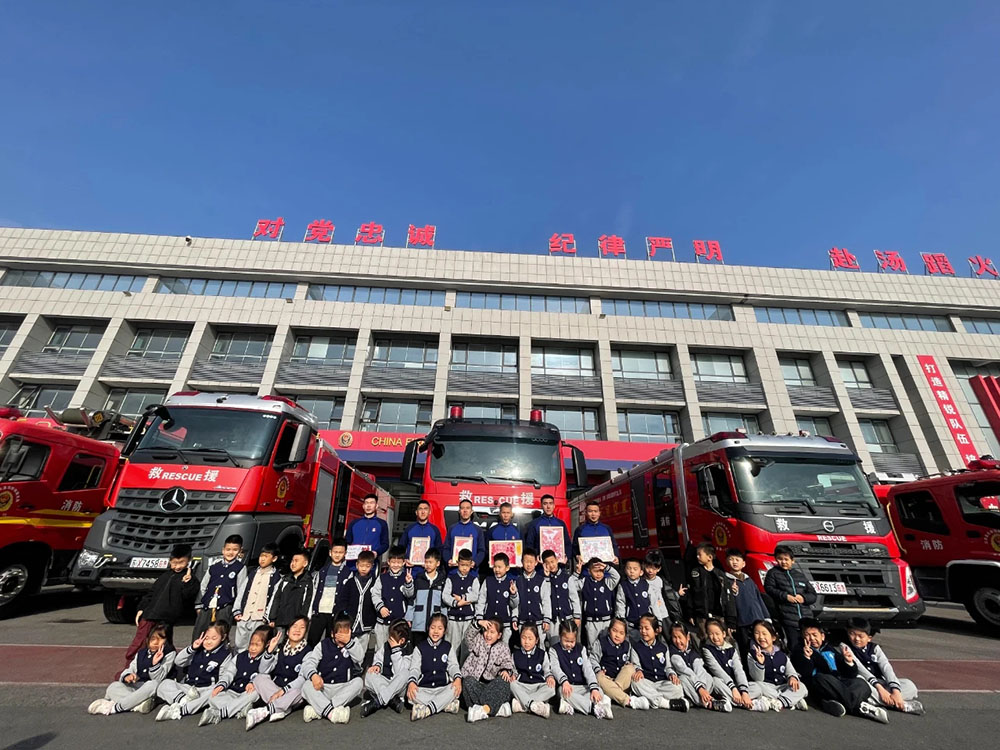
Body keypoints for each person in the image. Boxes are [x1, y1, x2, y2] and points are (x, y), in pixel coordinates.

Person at [791, 618, 889, 723]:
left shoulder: (830, 649)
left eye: (815, 635)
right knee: (822, 678)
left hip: (838, 683)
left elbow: (850, 674)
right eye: (807, 635)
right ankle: (860, 708)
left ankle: (838, 704)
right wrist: (807, 658)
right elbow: (805, 673)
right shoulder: (798, 651)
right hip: (818, 685)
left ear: (822, 636)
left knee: (860, 683)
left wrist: (848, 662)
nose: (812, 638)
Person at [122, 543, 198, 670]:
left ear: (189, 560)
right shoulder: (165, 576)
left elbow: (189, 596)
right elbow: (151, 593)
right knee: (140, 643)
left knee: (165, 644)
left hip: (167, 619)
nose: (177, 566)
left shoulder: (190, 579)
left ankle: (168, 669)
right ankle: (129, 669)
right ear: (169, 561)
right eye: (174, 563)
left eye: (181, 562)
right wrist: (141, 608)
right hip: (149, 616)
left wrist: (188, 582)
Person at [88, 623, 175, 716]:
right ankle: (137, 705)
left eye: (161, 639)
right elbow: (131, 668)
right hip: (138, 689)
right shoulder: (141, 653)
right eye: (153, 638)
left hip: (153, 690)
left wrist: (155, 664)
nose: (155, 643)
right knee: (113, 686)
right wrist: (127, 676)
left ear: (167, 641)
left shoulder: (169, 654)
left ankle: (115, 707)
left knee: (153, 684)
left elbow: (158, 678)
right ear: (147, 639)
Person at [201, 624, 277, 725]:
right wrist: (222, 684)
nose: (253, 648)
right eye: (251, 644)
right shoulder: (241, 656)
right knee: (212, 697)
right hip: (233, 691)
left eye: (257, 645)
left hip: (247, 693)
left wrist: (269, 652)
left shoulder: (270, 658)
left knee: (255, 694)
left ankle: (219, 713)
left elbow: (264, 671)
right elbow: (229, 673)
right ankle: (240, 709)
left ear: (267, 644)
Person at [846, 618, 924, 715]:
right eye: (852, 634)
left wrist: (896, 692)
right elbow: (861, 670)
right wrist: (881, 690)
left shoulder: (875, 648)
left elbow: (886, 667)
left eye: (860, 636)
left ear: (869, 638)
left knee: (910, 686)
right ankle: (901, 705)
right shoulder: (845, 647)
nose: (856, 639)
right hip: (868, 683)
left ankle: (885, 702)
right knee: (862, 685)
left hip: (882, 683)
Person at [155, 621, 231, 721]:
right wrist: (192, 648)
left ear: (223, 637)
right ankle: (183, 699)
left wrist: (218, 687)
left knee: (213, 692)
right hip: (188, 688)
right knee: (163, 684)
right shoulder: (197, 650)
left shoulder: (225, 654)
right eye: (206, 638)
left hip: (205, 689)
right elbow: (179, 662)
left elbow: (223, 676)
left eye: (214, 638)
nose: (208, 642)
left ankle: (181, 710)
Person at [245, 615, 311, 730]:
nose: (297, 630)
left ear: (305, 631)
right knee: (259, 678)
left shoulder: (308, 651)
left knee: (304, 688)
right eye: (294, 626)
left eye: (302, 627)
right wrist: (269, 651)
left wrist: (283, 691)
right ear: (288, 631)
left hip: (292, 691)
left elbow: (302, 678)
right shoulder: (280, 648)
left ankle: (264, 712)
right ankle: (282, 708)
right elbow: (264, 670)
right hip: (275, 688)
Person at [300, 614, 366, 724]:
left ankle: (320, 709)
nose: (342, 641)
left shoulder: (353, 643)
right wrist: (314, 676)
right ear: (332, 634)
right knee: (306, 685)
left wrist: (349, 643)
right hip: (323, 687)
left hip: (342, 687)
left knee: (358, 682)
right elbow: (309, 663)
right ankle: (332, 713)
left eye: (346, 636)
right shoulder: (323, 645)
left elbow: (360, 658)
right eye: (339, 637)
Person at [547, 619, 612, 719]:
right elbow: (555, 668)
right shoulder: (554, 650)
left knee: (599, 690)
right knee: (562, 693)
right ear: (560, 637)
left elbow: (588, 668)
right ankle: (593, 707)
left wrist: (593, 688)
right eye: (566, 641)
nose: (569, 644)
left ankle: (572, 705)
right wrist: (564, 681)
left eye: (572, 641)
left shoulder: (581, 649)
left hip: (582, 686)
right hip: (567, 686)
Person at [701, 618, 769, 712]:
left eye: (717, 634)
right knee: (715, 681)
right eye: (711, 634)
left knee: (756, 687)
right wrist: (732, 688)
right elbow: (717, 670)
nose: (715, 637)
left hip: (735, 685)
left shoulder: (731, 649)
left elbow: (738, 670)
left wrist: (744, 691)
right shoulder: (707, 649)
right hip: (724, 684)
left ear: (724, 634)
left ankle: (737, 701)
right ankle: (749, 704)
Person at [406, 612, 462, 721]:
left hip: (442, 688)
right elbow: (415, 668)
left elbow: (453, 666)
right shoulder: (420, 647)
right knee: (411, 695)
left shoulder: (448, 647)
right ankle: (445, 705)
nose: (436, 631)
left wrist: (458, 678)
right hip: (424, 689)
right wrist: (412, 682)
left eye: (440, 628)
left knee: (455, 689)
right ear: (428, 628)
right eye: (433, 628)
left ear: (445, 631)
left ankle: (427, 710)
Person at [746, 619, 809, 712]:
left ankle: (779, 702)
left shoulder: (782, 655)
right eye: (757, 633)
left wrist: (792, 678)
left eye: (764, 633)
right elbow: (757, 679)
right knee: (754, 687)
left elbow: (791, 671)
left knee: (802, 687)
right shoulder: (752, 654)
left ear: (773, 637)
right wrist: (760, 663)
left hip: (781, 687)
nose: (761, 637)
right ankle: (791, 701)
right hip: (765, 687)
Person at [629, 615, 688, 712]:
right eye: (641, 628)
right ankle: (666, 703)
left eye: (647, 628)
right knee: (636, 683)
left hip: (661, 683)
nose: (643, 631)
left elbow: (668, 667)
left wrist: (672, 674)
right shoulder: (636, 647)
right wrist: (638, 670)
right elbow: (636, 664)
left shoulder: (663, 648)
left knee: (677, 687)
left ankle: (651, 698)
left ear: (656, 631)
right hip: (646, 681)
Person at [462, 617, 516, 722]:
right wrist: (478, 623)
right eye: (486, 631)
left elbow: (508, 662)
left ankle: (481, 710)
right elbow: (468, 636)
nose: (488, 635)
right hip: (477, 684)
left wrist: (505, 671)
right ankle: (496, 709)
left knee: (504, 682)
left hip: (492, 686)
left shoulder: (503, 647)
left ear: (499, 635)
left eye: (492, 632)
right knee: (467, 681)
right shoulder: (478, 640)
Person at [192, 534, 247, 640]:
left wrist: (236, 609)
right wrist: (199, 604)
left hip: (225, 606)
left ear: (240, 551)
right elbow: (204, 585)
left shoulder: (240, 568)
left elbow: (241, 590)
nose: (231, 552)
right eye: (228, 549)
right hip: (207, 605)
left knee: (220, 634)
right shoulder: (214, 567)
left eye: (235, 550)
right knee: (200, 633)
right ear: (223, 550)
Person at [668, 622, 731, 712]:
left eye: (680, 637)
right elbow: (686, 671)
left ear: (688, 637)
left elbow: (699, 669)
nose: (677, 641)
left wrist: (702, 689)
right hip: (690, 685)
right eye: (674, 637)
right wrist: (700, 689)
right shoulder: (674, 653)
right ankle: (710, 703)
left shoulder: (693, 652)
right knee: (683, 679)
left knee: (708, 676)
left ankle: (698, 700)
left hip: (699, 686)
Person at [589, 617, 650, 710]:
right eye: (614, 631)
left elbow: (633, 661)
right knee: (598, 678)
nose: (617, 635)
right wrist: (598, 670)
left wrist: (634, 668)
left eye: (621, 633)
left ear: (625, 635)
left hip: (621, 680)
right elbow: (593, 659)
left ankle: (613, 693)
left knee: (630, 668)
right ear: (609, 631)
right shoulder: (601, 642)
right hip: (607, 678)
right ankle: (629, 701)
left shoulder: (627, 645)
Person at [763, 545, 816, 650]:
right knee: (794, 647)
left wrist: (803, 598)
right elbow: (769, 589)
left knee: (810, 646)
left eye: (786, 559)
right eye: (780, 559)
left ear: (792, 561)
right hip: (788, 619)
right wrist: (786, 596)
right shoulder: (773, 573)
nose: (783, 562)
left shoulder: (799, 575)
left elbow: (813, 595)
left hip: (806, 618)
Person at [233, 542, 281, 650]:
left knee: (257, 645)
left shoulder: (276, 578)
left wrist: (267, 616)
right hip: (245, 616)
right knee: (240, 645)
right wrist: (237, 611)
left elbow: (274, 598)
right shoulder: (252, 574)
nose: (262, 559)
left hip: (259, 618)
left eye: (266, 556)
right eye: (261, 556)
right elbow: (242, 592)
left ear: (274, 558)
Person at [725, 549, 771, 655]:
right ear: (727, 562)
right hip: (742, 622)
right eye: (731, 559)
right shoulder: (726, 580)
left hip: (758, 620)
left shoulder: (749, 580)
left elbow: (759, 599)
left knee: (762, 647)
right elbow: (727, 602)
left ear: (744, 563)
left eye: (737, 559)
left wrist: (766, 617)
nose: (734, 562)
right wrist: (732, 593)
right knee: (746, 649)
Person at [362, 619, 411, 717]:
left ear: (402, 641)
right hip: (385, 681)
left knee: (405, 673)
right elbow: (378, 657)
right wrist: (377, 665)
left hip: (399, 686)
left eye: (392, 638)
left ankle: (378, 701)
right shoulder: (386, 646)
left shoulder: (409, 650)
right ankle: (392, 700)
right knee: (369, 675)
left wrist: (395, 650)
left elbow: (399, 672)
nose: (389, 640)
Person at [687, 543, 736, 638]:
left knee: (722, 639)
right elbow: (691, 594)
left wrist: (731, 620)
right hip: (702, 616)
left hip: (719, 615)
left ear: (709, 557)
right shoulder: (695, 573)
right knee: (705, 639)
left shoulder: (720, 574)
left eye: (700, 554)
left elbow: (729, 598)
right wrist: (690, 613)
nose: (697, 557)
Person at [309, 538, 351, 647]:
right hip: (320, 611)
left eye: (341, 552)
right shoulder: (322, 571)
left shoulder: (348, 573)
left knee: (331, 642)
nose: (337, 555)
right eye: (335, 552)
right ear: (330, 552)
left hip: (335, 613)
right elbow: (315, 590)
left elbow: (347, 595)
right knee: (312, 640)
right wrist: (312, 610)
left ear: (345, 554)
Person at [509, 623, 557, 718]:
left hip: (538, 686)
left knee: (551, 689)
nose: (526, 642)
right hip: (523, 686)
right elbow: (514, 670)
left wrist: (550, 677)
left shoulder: (542, 654)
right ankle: (533, 705)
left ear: (536, 640)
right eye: (523, 638)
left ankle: (522, 705)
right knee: (512, 684)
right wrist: (513, 675)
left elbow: (547, 670)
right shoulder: (515, 654)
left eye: (530, 639)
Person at [372, 545, 414, 651]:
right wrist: (380, 607)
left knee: (397, 649)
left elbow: (409, 595)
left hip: (398, 622)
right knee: (380, 649)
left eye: (399, 562)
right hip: (383, 621)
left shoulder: (406, 577)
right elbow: (375, 594)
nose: (396, 565)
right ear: (389, 562)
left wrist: (409, 583)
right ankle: (379, 667)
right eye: (393, 562)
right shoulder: (382, 578)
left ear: (404, 563)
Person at [442, 548, 481, 654]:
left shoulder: (474, 579)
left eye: (467, 565)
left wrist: (463, 598)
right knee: (452, 648)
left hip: (468, 619)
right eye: (462, 565)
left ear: (471, 565)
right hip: (453, 619)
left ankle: (464, 670)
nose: (464, 568)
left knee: (466, 649)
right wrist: (456, 603)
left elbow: (476, 595)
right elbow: (445, 596)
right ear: (457, 563)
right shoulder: (451, 579)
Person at [335, 549, 378, 643]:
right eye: (361, 565)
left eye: (367, 566)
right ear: (357, 565)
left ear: (372, 566)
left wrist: (373, 620)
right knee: (347, 649)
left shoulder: (375, 583)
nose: (364, 568)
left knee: (361, 652)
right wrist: (344, 614)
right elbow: (343, 599)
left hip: (366, 623)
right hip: (350, 622)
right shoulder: (350, 582)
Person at [268, 548, 314, 635]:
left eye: (296, 561)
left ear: (305, 563)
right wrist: (272, 618)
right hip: (280, 621)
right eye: (292, 561)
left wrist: (304, 620)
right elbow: (276, 599)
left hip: (296, 623)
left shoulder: (308, 582)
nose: (293, 564)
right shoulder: (285, 580)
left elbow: (308, 603)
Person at [576, 558, 620, 647]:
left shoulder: (607, 582)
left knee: (607, 645)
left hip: (606, 621)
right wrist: (577, 572)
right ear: (589, 571)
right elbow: (572, 585)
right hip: (591, 621)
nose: (599, 574)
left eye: (601, 571)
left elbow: (617, 576)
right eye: (595, 571)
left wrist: (607, 567)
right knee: (592, 646)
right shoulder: (585, 581)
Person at [476, 552, 518, 642]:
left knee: (503, 648)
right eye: (495, 567)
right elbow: (481, 600)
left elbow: (514, 605)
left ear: (507, 568)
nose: (497, 569)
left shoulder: (511, 582)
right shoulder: (488, 581)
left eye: (500, 567)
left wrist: (513, 594)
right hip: (489, 622)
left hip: (505, 623)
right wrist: (479, 616)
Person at [409, 548, 447, 642]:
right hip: (419, 622)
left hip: (435, 624)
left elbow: (444, 602)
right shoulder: (419, 579)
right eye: (426, 562)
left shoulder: (442, 581)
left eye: (431, 562)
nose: (428, 565)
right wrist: (409, 617)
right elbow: (412, 599)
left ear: (437, 563)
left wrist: (444, 619)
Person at [398, 499, 442, 577]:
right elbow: (401, 547)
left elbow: (439, 550)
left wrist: (432, 563)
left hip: (428, 571)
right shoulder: (410, 528)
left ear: (430, 512)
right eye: (420, 509)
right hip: (411, 570)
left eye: (425, 509)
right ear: (416, 512)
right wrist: (405, 559)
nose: (423, 511)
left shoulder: (434, 530)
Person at [643, 550, 685, 631]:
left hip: (663, 613)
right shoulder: (642, 582)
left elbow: (666, 596)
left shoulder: (660, 580)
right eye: (648, 567)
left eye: (654, 568)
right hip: (650, 616)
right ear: (644, 566)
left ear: (659, 569)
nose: (650, 571)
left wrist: (677, 594)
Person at [524, 494, 571, 565]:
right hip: (541, 564)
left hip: (559, 563)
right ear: (541, 506)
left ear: (554, 505)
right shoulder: (534, 524)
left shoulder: (560, 523)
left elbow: (567, 543)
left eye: (550, 503)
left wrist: (566, 557)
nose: (548, 507)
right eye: (545, 504)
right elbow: (529, 544)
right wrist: (535, 558)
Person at [512, 548, 549, 639]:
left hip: (538, 621)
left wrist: (546, 619)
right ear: (522, 562)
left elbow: (546, 601)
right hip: (523, 621)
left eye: (531, 562)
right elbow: (516, 604)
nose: (528, 565)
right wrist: (515, 617)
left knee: (540, 645)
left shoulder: (540, 581)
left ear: (536, 562)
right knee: (525, 644)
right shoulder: (518, 581)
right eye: (526, 561)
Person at [346, 493, 390, 564]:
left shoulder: (382, 524)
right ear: (363, 506)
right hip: (353, 562)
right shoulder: (354, 523)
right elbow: (347, 541)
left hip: (371, 563)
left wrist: (376, 552)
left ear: (376, 506)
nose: (368, 505)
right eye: (366, 503)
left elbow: (385, 544)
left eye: (372, 503)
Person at [541, 549, 573, 646]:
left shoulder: (567, 577)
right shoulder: (543, 580)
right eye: (547, 563)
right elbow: (546, 595)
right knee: (554, 644)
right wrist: (546, 578)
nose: (551, 565)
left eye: (552, 561)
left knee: (568, 643)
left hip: (566, 616)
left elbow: (574, 597)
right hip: (553, 619)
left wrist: (577, 616)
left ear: (557, 560)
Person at [616, 557, 653, 642]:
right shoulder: (623, 586)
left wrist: (657, 620)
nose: (632, 571)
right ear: (625, 570)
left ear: (641, 572)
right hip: (631, 625)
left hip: (647, 624)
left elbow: (653, 603)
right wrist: (621, 620)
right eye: (629, 568)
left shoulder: (646, 585)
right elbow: (620, 603)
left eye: (635, 569)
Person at [571, 500, 619, 564]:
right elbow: (574, 548)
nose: (593, 514)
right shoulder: (580, 529)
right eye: (590, 511)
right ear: (586, 513)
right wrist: (577, 556)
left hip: (605, 567)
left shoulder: (606, 528)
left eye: (596, 511)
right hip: (587, 568)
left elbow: (614, 545)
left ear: (599, 513)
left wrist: (616, 556)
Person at [444, 498, 486, 568]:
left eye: (468, 508)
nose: (465, 511)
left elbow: (481, 550)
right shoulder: (452, 528)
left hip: (471, 572)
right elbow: (446, 548)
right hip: (454, 571)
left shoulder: (477, 530)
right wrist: (448, 560)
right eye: (462, 508)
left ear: (471, 511)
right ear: (459, 511)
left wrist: (475, 562)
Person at [487, 502, 521, 571]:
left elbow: (522, 549)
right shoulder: (492, 530)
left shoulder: (518, 530)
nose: (505, 515)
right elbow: (487, 549)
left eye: (508, 513)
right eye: (503, 512)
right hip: (497, 570)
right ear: (500, 513)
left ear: (511, 514)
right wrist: (489, 558)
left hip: (513, 571)